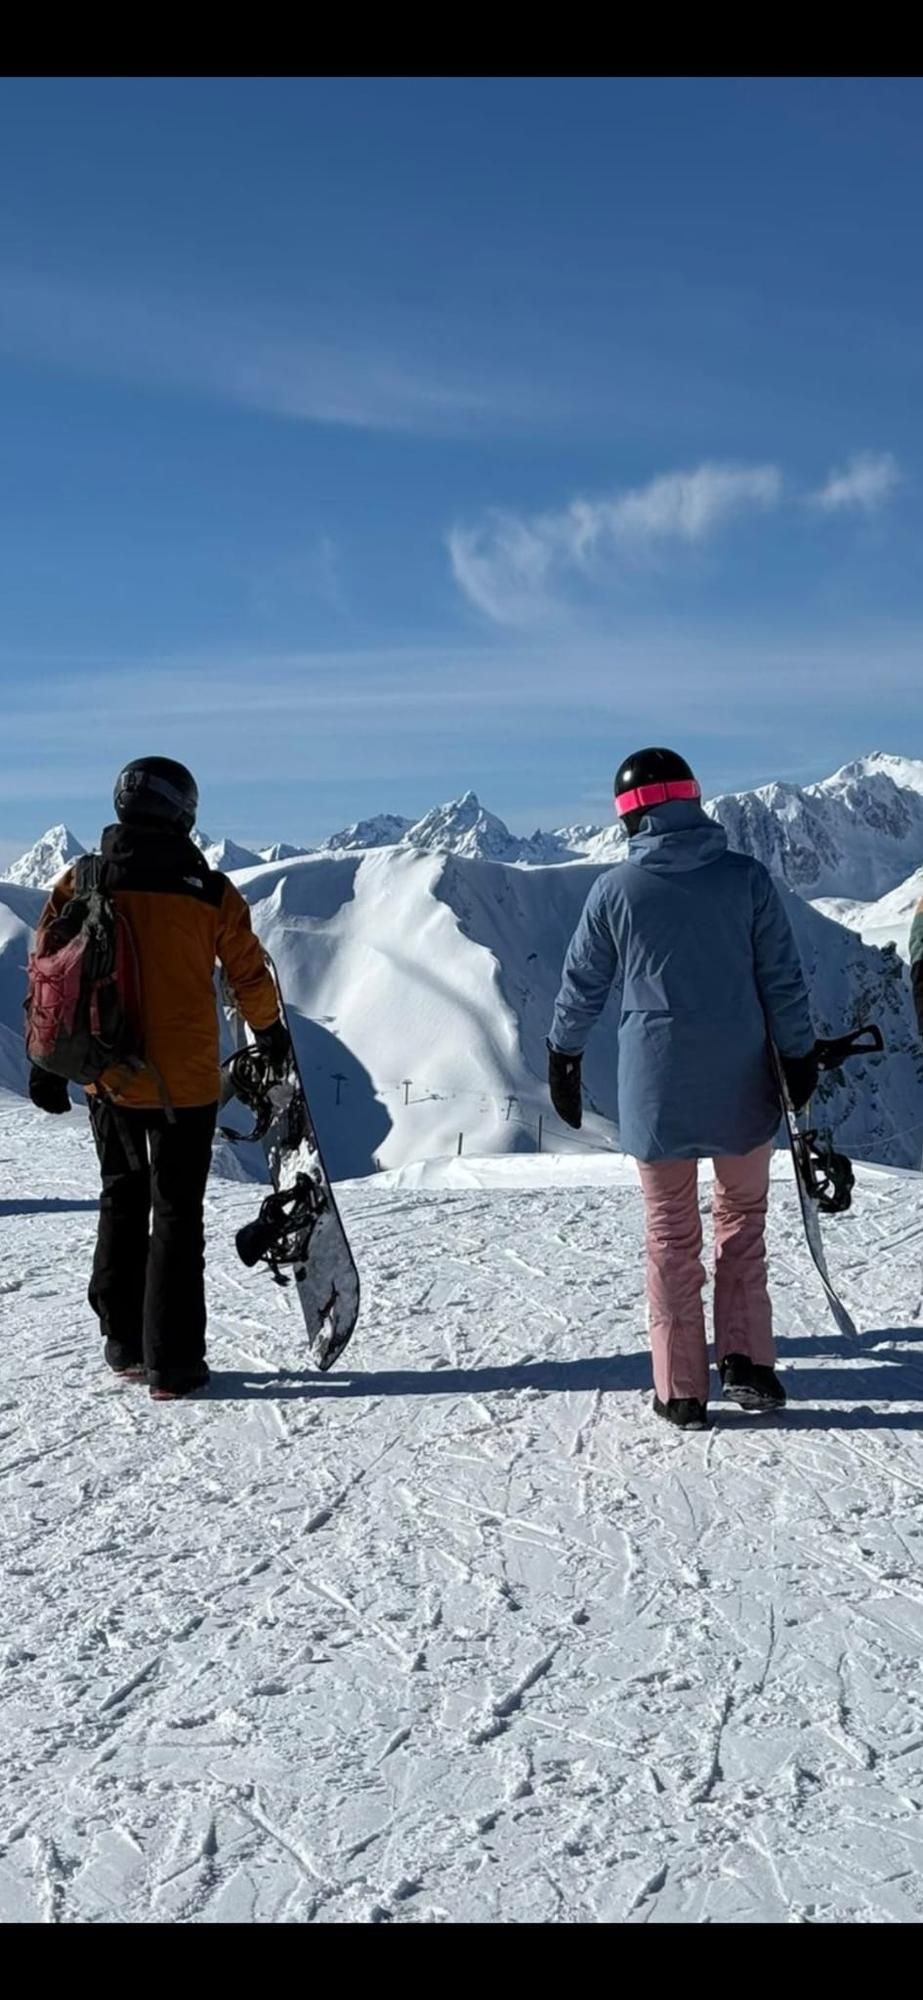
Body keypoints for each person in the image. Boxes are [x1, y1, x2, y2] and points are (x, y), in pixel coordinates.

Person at [547, 747, 818, 1432]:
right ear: (691, 800)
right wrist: (796, 1053)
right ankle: (747, 1360)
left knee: (670, 1236)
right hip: (742, 1084)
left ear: (629, 814)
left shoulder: (615, 890)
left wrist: (564, 1053)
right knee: (742, 1223)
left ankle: (680, 1388)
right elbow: (781, 980)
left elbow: (582, 985)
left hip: (656, 1089)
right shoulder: (746, 879)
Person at [28, 756, 289, 1401]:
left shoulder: (82, 878)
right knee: (177, 1214)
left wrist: (44, 1062)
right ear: (182, 812)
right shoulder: (208, 891)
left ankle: (122, 1342)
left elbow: (49, 972)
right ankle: (173, 1364)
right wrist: (272, 1033)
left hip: (106, 1074)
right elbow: (248, 973)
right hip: (188, 1084)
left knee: (121, 1196)